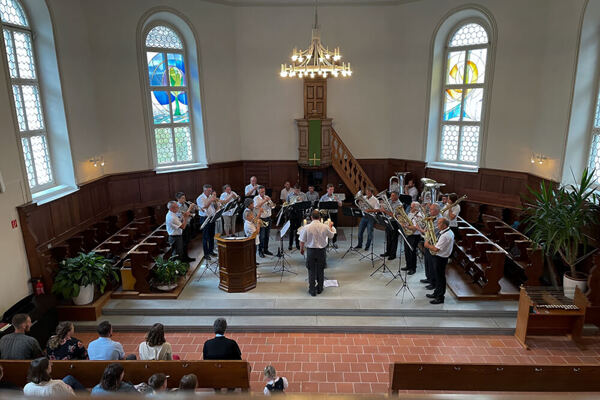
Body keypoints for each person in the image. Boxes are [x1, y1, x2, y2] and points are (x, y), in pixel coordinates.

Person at [299, 210, 336, 296]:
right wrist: (330, 226)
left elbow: (302, 240)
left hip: (311, 251)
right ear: (319, 218)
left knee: (311, 270)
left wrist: (301, 249)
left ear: (311, 217)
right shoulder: (324, 226)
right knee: (320, 270)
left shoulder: (306, 227)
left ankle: (312, 290)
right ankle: (320, 288)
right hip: (321, 251)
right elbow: (331, 236)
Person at [424, 217, 455, 304]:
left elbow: (436, 249)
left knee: (440, 278)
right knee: (438, 277)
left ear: (444, 225)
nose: (437, 225)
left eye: (439, 223)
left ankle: (440, 297)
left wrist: (427, 245)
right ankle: (436, 293)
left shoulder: (446, 235)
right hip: (440, 257)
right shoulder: (446, 232)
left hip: (441, 258)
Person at [416, 203, 441, 291]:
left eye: (431, 210)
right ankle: (428, 278)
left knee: (432, 263)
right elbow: (426, 228)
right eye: (429, 209)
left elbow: (431, 231)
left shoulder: (439, 219)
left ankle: (433, 282)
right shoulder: (431, 217)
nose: (429, 212)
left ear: (437, 210)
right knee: (427, 261)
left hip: (433, 243)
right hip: (427, 241)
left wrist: (419, 229)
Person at [400, 202, 424, 275]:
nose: (410, 208)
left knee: (412, 252)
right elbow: (407, 221)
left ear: (416, 208)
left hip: (415, 236)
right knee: (407, 251)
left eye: (412, 207)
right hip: (408, 234)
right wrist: (404, 224)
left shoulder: (419, 216)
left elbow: (415, 228)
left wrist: (406, 226)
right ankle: (408, 265)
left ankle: (413, 268)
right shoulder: (410, 213)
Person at [197, 184, 218, 260]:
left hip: (212, 217)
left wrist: (214, 201)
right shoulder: (200, 198)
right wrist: (211, 200)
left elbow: (214, 207)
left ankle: (211, 250)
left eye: (211, 190)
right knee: (205, 237)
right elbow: (204, 207)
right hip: (204, 218)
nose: (210, 192)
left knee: (212, 235)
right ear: (205, 190)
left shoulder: (210, 197)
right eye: (209, 191)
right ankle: (206, 254)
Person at [380, 191, 402, 260]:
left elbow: (394, 215)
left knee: (394, 239)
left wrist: (385, 211)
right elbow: (386, 208)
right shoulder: (390, 201)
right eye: (391, 195)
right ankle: (388, 252)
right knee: (388, 237)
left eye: (392, 196)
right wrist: (382, 205)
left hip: (394, 222)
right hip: (388, 221)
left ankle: (393, 254)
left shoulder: (399, 204)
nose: (391, 197)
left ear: (397, 196)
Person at [175, 192, 196, 262]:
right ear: (178, 199)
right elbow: (184, 215)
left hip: (188, 225)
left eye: (184, 198)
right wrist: (190, 208)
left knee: (187, 242)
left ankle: (186, 257)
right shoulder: (177, 206)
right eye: (182, 198)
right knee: (183, 243)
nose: (184, 199)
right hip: (182, 226)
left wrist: (192, 207)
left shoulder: (185, 204)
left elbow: (190, 212)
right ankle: (183, 259)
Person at [254, 186, 274, 257]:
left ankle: (266, 249)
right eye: (261, 192)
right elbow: (256, 206)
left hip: (268, 217)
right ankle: (260, 251)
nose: (263, 193)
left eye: (264, 191)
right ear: (258, 192)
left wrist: (270, 202)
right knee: (261, 236)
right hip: (261, 219)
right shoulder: (256, 198)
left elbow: (272, 206)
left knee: (267, 235)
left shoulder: (267, 197)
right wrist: (264, 201)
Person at [286, 185, 306, 250]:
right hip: (292, 213)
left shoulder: (303, 195)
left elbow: (306, 204)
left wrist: (301, 200)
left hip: (299, 213)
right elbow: (287, 204)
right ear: (293, 189)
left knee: (298, 229)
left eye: (298, 190)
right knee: (291, 230)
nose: (297, 191)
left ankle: (297, 244)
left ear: (300, 190)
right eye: (296, 190)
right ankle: (290, 244)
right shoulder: (290, 195)